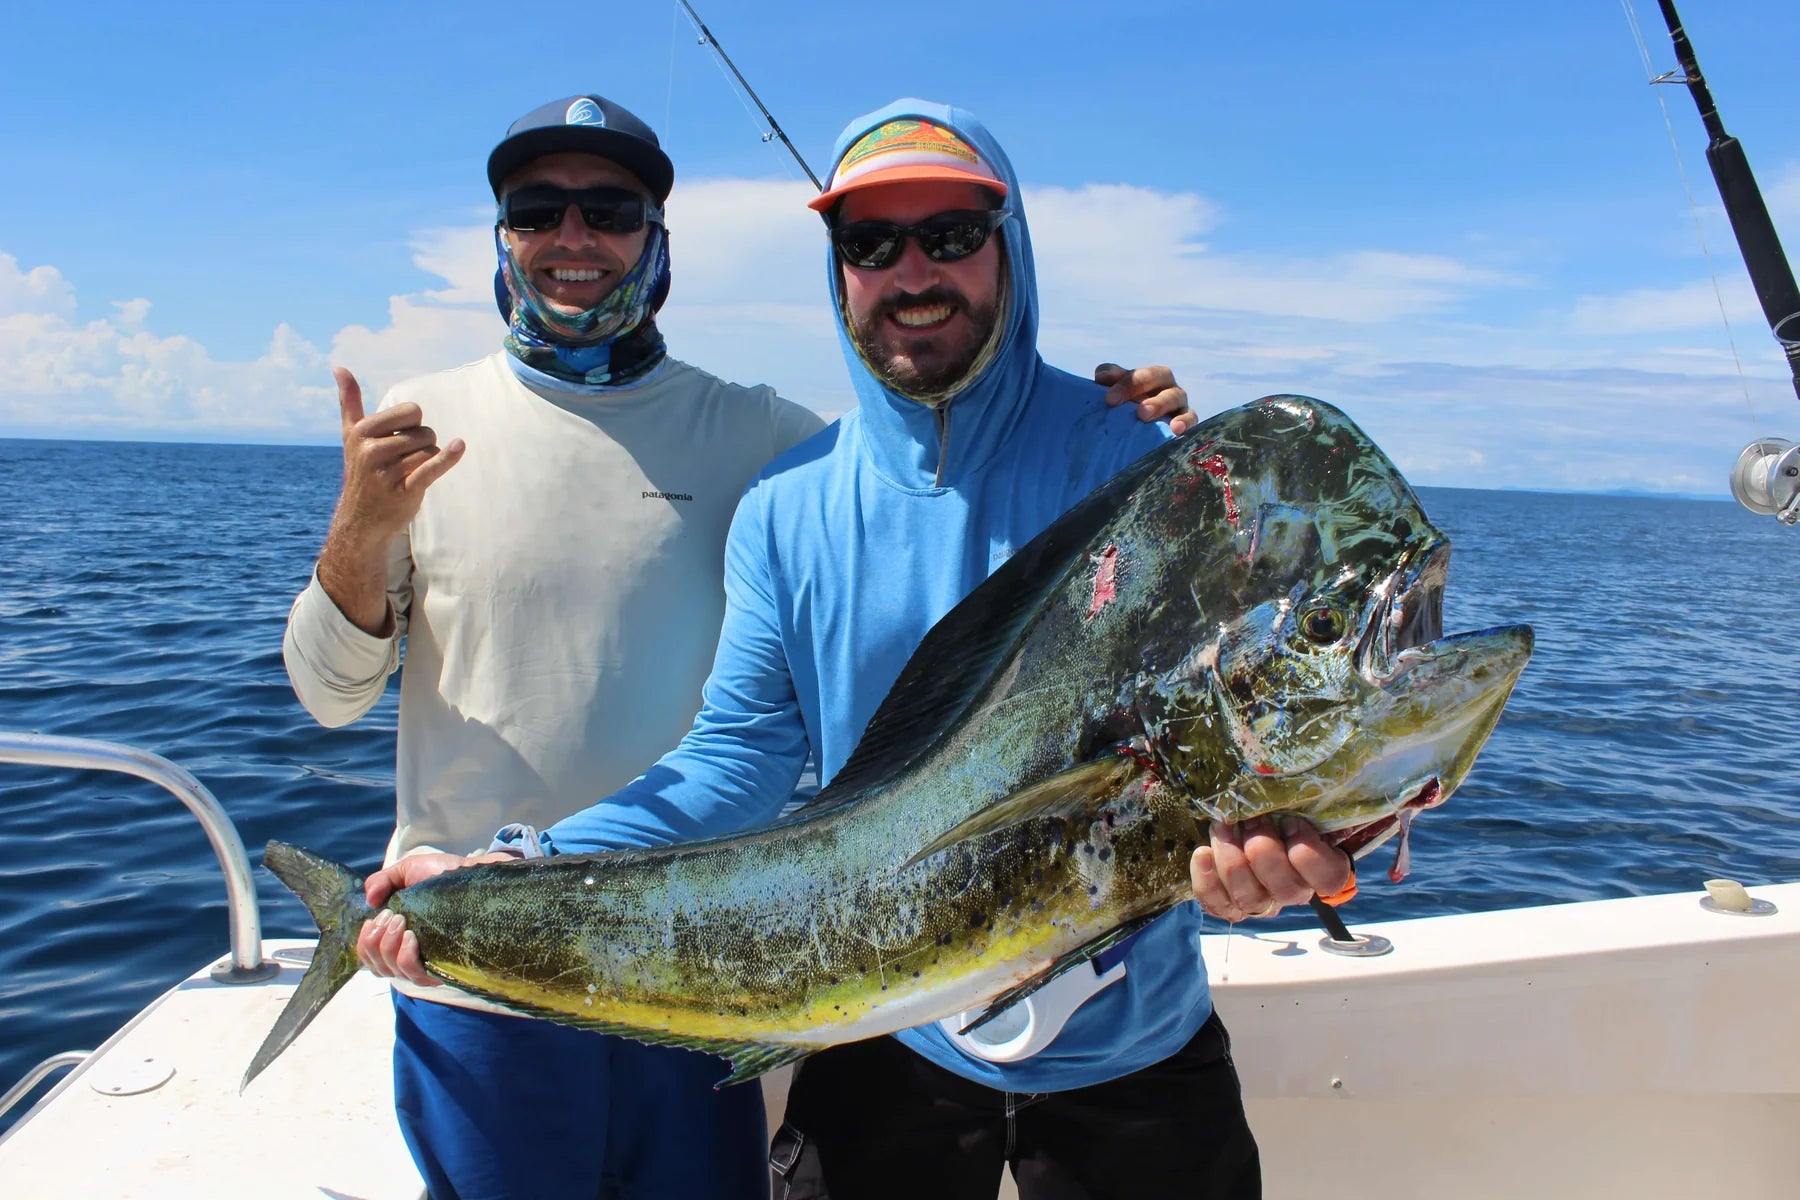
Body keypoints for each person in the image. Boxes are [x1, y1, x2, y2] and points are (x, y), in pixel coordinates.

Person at [360, 100, 1353, 1199]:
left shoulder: (1137, 456)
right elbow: (731, 762)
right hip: (888, 1036)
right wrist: (528, 865)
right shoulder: (789, 505)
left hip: (1136, 1052)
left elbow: (1282, 702)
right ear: (838, 272)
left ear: (1011, 243)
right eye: (870, 243)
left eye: (952, 234)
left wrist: (1313, 841)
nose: (912, 271)